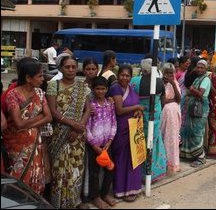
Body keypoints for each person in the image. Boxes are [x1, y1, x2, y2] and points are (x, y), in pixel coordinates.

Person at [46, 55, 91, 209]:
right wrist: (73, 124)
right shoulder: (53, 86)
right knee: (59, 170)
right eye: (67, 67)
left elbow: (88, 109)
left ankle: (74, 201)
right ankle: (58, 204)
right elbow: (53, 112)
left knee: (76, 168)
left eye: (73, 67)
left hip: (77, 137)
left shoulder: (83, 87)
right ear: (60, 68)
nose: (71, 70)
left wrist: (79, 129)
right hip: (59, 134)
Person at [3, 58, 52, 194]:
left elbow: (49, 117)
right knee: (18, 179)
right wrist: (39, 118)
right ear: (28, 78)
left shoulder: (40, 93)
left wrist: (28, 124)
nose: (43, 79)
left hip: (35, 143)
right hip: (17, 145)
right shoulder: (13, 95)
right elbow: (18, 124)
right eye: (40, 76)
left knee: (36, 177)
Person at [110, 65, 144, 201]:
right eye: (122, 75)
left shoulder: (131, 88)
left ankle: (133, 188)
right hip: (121, 128)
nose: (125, 78)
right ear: (118, 75)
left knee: (133, 158)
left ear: (131, 77)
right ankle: (121, 190)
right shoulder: (115, 88)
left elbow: (136, 104)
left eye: (127, 75)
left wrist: (138, 111)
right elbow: (119, 110)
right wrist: (137, 107)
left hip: (133, 128)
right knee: (122, 159)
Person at [130, 59, 167, 183]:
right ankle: (153, 172)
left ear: (143, 69)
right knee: (154, 141)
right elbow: (163, 101)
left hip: (138, 115)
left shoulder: (134, 82)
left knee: (139, 141)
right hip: (154, 115)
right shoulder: (159, 82)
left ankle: (139, 174)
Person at [86, 76, 117, 209]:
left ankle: (105, 194)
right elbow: (86, 126)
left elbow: (113, 122)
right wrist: (93, 145)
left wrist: (110, 140)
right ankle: (95, 197)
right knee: (94, 172)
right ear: (93, 90)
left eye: (103, 89)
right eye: (98, 89)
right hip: (94, 146)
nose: (100, 91)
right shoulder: (90, 106)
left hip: (106, 144)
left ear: (107, 89)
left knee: (110, 169)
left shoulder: (110, 104)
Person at [180, 60, 212, 167]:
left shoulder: (206, 79)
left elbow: (200, 94)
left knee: (197, 131)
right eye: (198, 67)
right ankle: (190, 154)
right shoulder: (198, 78)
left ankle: (201, 157)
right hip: (193, 107)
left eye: (202, 68)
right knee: (189, 130)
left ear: (206, 69)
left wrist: (192, 89)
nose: (199, 69)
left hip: (200, 108)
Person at [160, 63, 182, 176]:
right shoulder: (160, 84)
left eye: (171, 73)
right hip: (164, 116)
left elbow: (178, 99)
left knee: (172, 140)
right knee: (163, 139)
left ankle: (172, 165)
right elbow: (162, 102)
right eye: (166, 73)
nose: (168, 75)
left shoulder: (175, 83)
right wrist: (172, 100)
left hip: (173, 117)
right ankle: (162, 166)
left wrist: (173, 83)